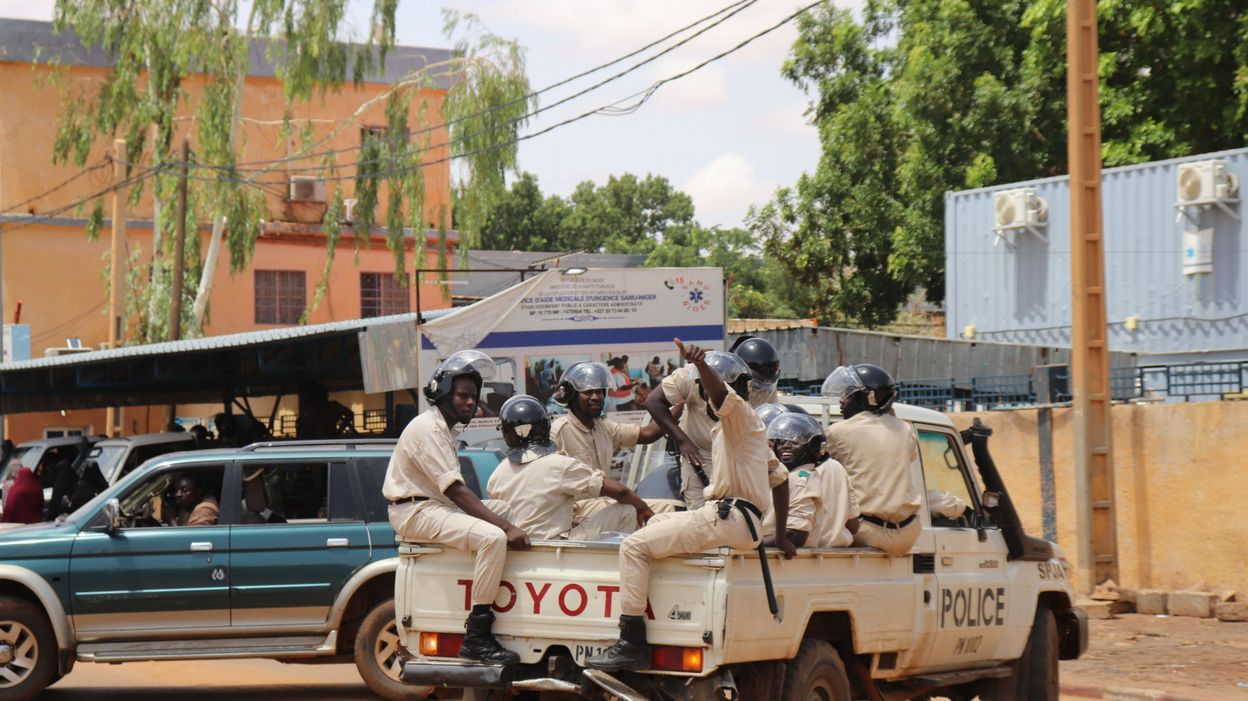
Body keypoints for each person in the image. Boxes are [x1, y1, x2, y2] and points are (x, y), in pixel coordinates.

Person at [587, 340, 794, 671]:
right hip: (742, 521)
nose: (709, 397)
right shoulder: (744, 428)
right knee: (654, 528)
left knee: (633, 547)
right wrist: (780, 536)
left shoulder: (738, 413)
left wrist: (700, 364)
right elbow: (780, 479)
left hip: (728, 515)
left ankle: (631, 641)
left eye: (716, 391)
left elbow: (720, 393)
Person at [383, 350, 529, 665]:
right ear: (444, 393)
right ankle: (477, 636)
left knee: (502, 508)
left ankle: (488, 581)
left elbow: (456, 494)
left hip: (430, 505)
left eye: (474, 397)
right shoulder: (430, 429)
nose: (470, 402)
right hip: (415, 512)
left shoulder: (444, 428)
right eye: (463, 395)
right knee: (493, 537)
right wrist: (505, 529)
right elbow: (457, 492)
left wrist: (503, 519)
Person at [488, 395, 653, 540]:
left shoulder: (496, 474)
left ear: (506, 434)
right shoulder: (558, 464)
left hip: (524, 546)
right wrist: (642, 507)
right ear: (545, 427)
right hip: (558, 546)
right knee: (628, 509)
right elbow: (621, 492)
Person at [645, 337, 782, 509]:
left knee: (746, 517)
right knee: (702, 519)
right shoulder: (691, 375)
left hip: (740, 457)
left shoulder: (765, 390)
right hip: (699, 458)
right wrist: (682, 441)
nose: (754, 392)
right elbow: (653, 402)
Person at [822, 364, 922, 556]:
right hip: (909, 532)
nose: (842, 402)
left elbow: (820, 471)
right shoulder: (905, 430)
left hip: (866, 532)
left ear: (868, 397)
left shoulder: (838, 431)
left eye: (848, 395)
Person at [550, 362, 668, 521]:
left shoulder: (603, 427)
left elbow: (648, 434)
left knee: (667, 507)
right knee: (634, 510)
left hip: (600, 507)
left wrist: (683, 402)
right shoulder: (558, 432)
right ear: (571, 395)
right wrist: (638, 504)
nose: (596, 397)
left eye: (599, 391)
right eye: (588, 392)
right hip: (573, 514)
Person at [762, 412, 860, 549]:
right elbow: (853, 525)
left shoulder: (800, 478)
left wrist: (754, 545)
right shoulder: (832, 468)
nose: (786, 446)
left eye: (795, 441)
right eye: (782, 441)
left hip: (793, 558)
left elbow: (795, 534)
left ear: (811, 447)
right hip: (831, 551)